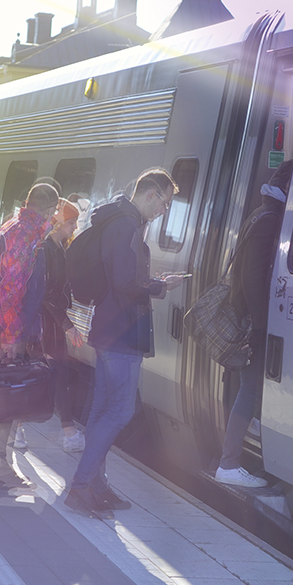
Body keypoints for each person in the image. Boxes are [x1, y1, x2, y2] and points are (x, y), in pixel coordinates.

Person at [64, 169, 185, 519]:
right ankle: (82, 485)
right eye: (164, 203)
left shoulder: (119, 220)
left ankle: (97, 484)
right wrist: (162, 286)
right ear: (149, 194)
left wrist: (151, 281)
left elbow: (123, 276)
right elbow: (125, 281)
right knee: (119, 410)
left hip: (108, 327)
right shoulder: (127, 225)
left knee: (103, 409)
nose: (164, 210)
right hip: (121, 332)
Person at [0, 182, 59, 489]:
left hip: (4, 328)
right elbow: (9, 291)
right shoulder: (25, 234)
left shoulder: (17, 227)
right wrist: (10, 337)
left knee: (2, 397)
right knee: (8, 401)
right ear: (48, 210)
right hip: (8, 330)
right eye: (54, 213)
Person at [215, 160, 293, 488]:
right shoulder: (271, 220)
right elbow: (251, 278)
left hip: (250, 318)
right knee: (250, 388)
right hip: (253, 322)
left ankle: (236, 457)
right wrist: (260, 328)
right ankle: (229, 463)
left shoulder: (261, 213)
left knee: (252, 388)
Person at [42, 198, 85, 451]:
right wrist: (67, 324)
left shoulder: (59, 248)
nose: (74, 227)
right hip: (47, 323)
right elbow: (47, 294)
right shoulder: (48, 250)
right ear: (57, 223)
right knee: (54, 374)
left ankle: (19, 428)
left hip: (54, 322)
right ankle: (68, 432)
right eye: (71, 223)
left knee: (55, 374)